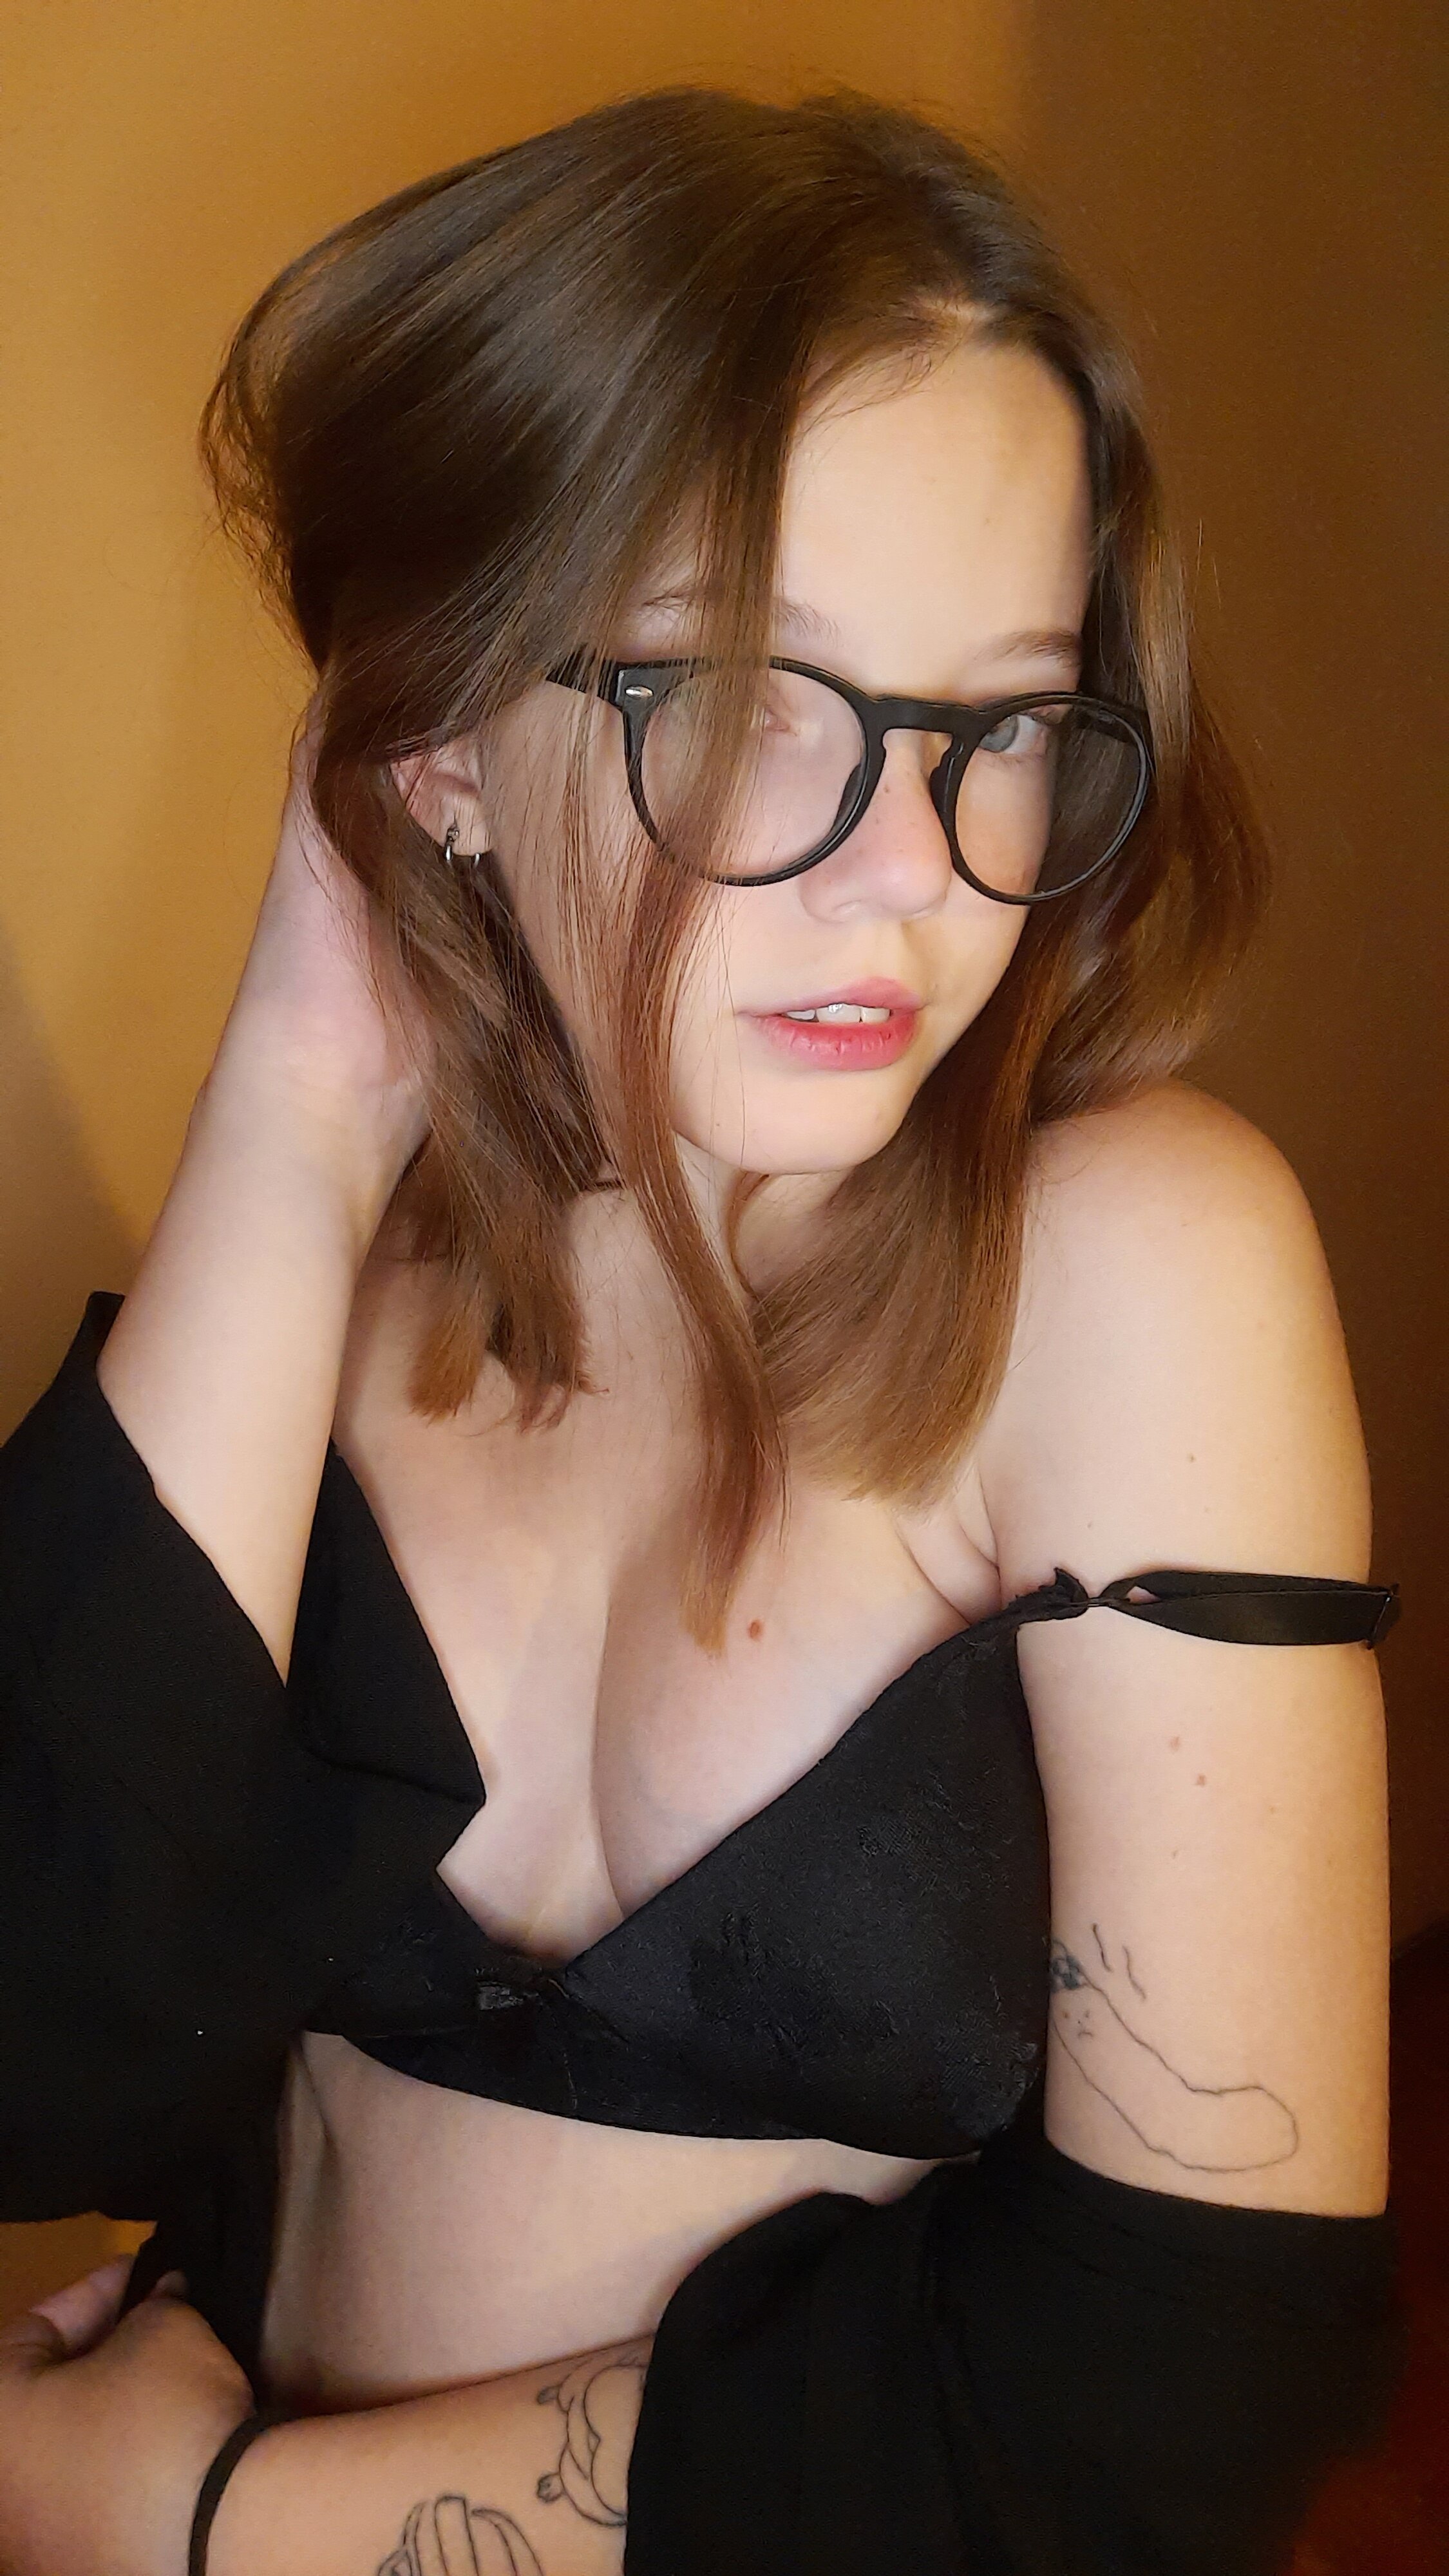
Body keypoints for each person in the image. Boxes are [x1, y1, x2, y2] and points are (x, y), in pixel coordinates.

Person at [0, 85, 1401, 2576]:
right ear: (437, 738)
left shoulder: (1130, 1269)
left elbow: (1180, 2382)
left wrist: (216, 2524)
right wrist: (295, 1116)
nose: (910, 880)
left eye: (1002, 725)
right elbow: (35, 2056)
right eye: (748, 699)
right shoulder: (334, 1296)